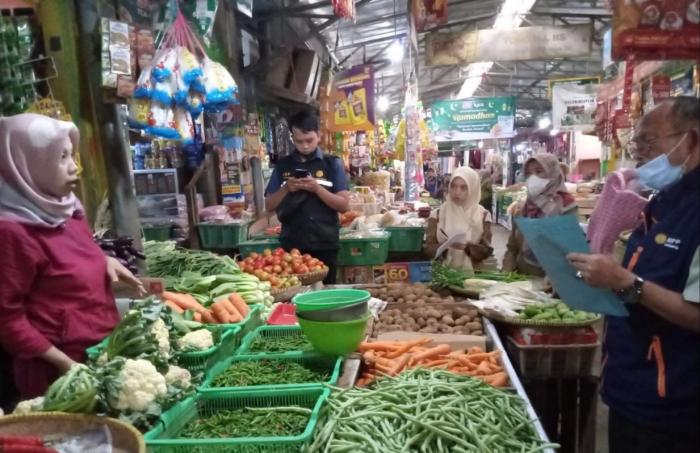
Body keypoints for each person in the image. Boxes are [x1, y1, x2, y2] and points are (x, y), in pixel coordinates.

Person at [567, 97, 700, 453]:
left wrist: (626, 282)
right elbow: (644, 280)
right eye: (637, 143)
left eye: (648, 141)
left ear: (691, 140)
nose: (639, 153)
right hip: (631, 386)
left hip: (674, 408)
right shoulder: (661, 202)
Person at [0, 114, 144, 406]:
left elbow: (71, 252)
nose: (73, 166)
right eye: (61, 157)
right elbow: (8, 319)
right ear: (28, 164)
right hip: (58, 374)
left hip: (99, 348)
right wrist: (64, 364)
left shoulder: (65, 207)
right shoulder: (11, 232)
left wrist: (103, 261)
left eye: (71, 154)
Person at [264, 110, 350, 284]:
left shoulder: (332, 164)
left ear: (319, 135)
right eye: (299, 141)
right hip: (292, 247)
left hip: (325, 243)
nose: (304, 146)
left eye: (309, 140)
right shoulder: (283, 166)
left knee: (327, 294)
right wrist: (286, 188)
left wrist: (317, 189)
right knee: (295, 294)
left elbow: (344, 205)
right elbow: (269, 205)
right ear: (292, 138)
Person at [502, 153, 577, 276]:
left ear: (553, 173)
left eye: (539, 171)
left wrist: (555, 280)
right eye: (528, 174)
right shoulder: (522, 208)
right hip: (522, 279)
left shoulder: (566, 207)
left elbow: (570, 252)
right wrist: (506, 273)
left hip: (552, 281)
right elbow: (512, 248)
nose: (533, 178)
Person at [424, 166, 493, 271]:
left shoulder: (483, 215)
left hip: (474, 275)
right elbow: (428, 248)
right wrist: (446, 247)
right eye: (453, 186)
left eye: (463, 188)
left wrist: (468, 247)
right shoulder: (438, 214)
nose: (457, 192)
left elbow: (486, 250)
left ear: (473, 189)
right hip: (443, 273)